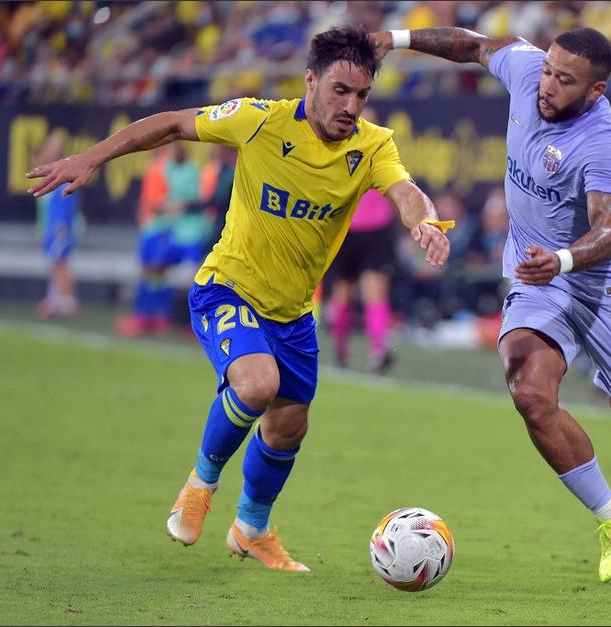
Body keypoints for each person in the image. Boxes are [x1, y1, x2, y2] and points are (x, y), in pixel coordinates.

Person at [26, 26, 452, 572]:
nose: (351, 106)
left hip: (293, 313)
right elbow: (173, 124)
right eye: (340, 91)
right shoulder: (260, 120)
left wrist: (426, 223)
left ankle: (251, 527)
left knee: (288, 425)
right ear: (310, 81)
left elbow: (406, 192)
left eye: (362, 95)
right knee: (256, 384)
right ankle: (199, 486)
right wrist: (93, 157)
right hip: (227, 287)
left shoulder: (371, 145)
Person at [372, 26, 611, 583]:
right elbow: (472, 45)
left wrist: (563, 260)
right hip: (537, 277)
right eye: (548, 70)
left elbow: (610, 230)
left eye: (565, 80)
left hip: (600, 285)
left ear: (596, 90)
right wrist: (393, 38)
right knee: (528, 389)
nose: (548, 85)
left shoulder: (604, 137)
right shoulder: (526, 71)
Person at [326, 107, 399, 374]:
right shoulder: (382, 150)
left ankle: (344, 351)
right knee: (370, 291)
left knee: (345, 290)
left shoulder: (336, 148)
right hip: (368, 226)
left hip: (351, 226)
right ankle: (375, 350)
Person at [34, 132, 81, 319]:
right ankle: (55, 298)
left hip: (60, 227)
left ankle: (67, 299)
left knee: (61, 263)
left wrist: (62, 224)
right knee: (56, 263)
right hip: (51, 226)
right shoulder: (51, 174)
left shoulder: (64, 175)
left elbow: (68, 200)